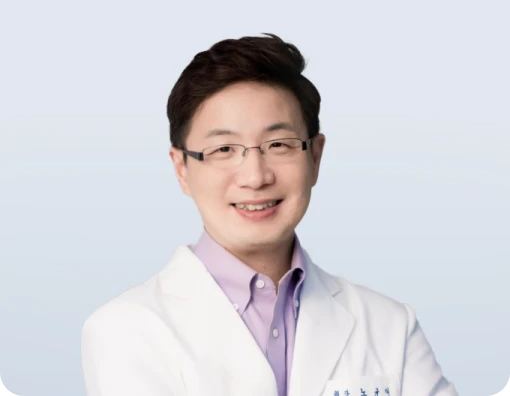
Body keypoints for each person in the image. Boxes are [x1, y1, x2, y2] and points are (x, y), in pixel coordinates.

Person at [80, 33, 458, 396]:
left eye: (278, 144)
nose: (255, 177)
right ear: (181, 168)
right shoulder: (125, 330)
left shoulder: (390, 326)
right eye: (224, 149)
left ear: (315, 157)